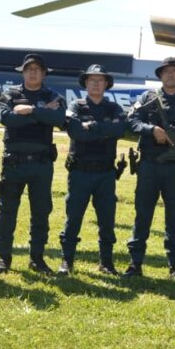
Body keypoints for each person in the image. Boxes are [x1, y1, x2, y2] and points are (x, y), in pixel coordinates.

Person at [125, 57, 175, 280]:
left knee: (174, 218)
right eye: (166, 71)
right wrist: (152, 130)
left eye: (174, 71)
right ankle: (135, 263)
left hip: (174, 169)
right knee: (143, 215)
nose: (170, 75)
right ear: (160, 76)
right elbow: (131, 122)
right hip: (149, 165)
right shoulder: (148, 98)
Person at [0, 53, 65, 275]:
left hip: (41, 165)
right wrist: (43, 112)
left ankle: (37, 259)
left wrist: (31, 110)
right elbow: (7, 119)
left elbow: (60, 120)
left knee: (41, 213)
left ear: (44, 73)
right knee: (7, 213)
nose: (33, 72)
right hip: (13, 164)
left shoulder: (53, 95)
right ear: (23, 72)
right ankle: (3, 258)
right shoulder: (10, 94)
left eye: (37, 69)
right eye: (29, 69)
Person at [58, 64, 127, 275]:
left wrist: (93, 127)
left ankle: (106, 263)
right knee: (74, 217)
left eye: (100, 80)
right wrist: (105, 131)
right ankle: (66, 262)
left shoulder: (114, 108)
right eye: (92, 80)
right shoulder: (76, 106)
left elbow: (121, 129)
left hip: (106, 173)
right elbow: (76, 133)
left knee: (107, 220)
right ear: (86, 83)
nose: (96, 83)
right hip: (80, 172)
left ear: (106, 84)